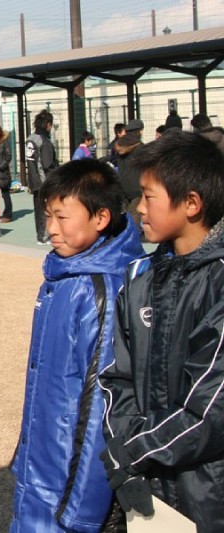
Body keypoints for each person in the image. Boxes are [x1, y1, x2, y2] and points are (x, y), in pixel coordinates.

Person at [99, 131, 224, 531]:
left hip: (207, 492)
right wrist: (125, 451)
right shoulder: (140, 277)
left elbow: (210, 412)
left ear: (192, 203)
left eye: (149, 196)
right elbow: (116, 377)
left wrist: (131, 452)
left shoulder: (219, 282)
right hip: (145, 485)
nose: (138, 207)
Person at [10, 159, 144, 532]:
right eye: (47, 216)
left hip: (68, 480)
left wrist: (81, 510)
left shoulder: (102, 290)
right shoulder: (65, 275)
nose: (51, 229)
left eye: (61, 217)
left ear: (101, 218)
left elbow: (101, 404)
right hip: (46, 465)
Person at [26, 109, 58, 244]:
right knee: (46, 209)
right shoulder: (44, 142)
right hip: (44, 181)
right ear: (48, 125)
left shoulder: (31, 139)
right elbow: (47, 164)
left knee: (38, 209)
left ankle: (40, 236)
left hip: (33, 179)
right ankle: (44, 236)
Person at [115, 119, 145, 230]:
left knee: (125, 216)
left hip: (122, 185)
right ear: (139, 131)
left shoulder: (119, 146)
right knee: (134, 217)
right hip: (137, 187)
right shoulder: (141, 148)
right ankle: (132, 236)